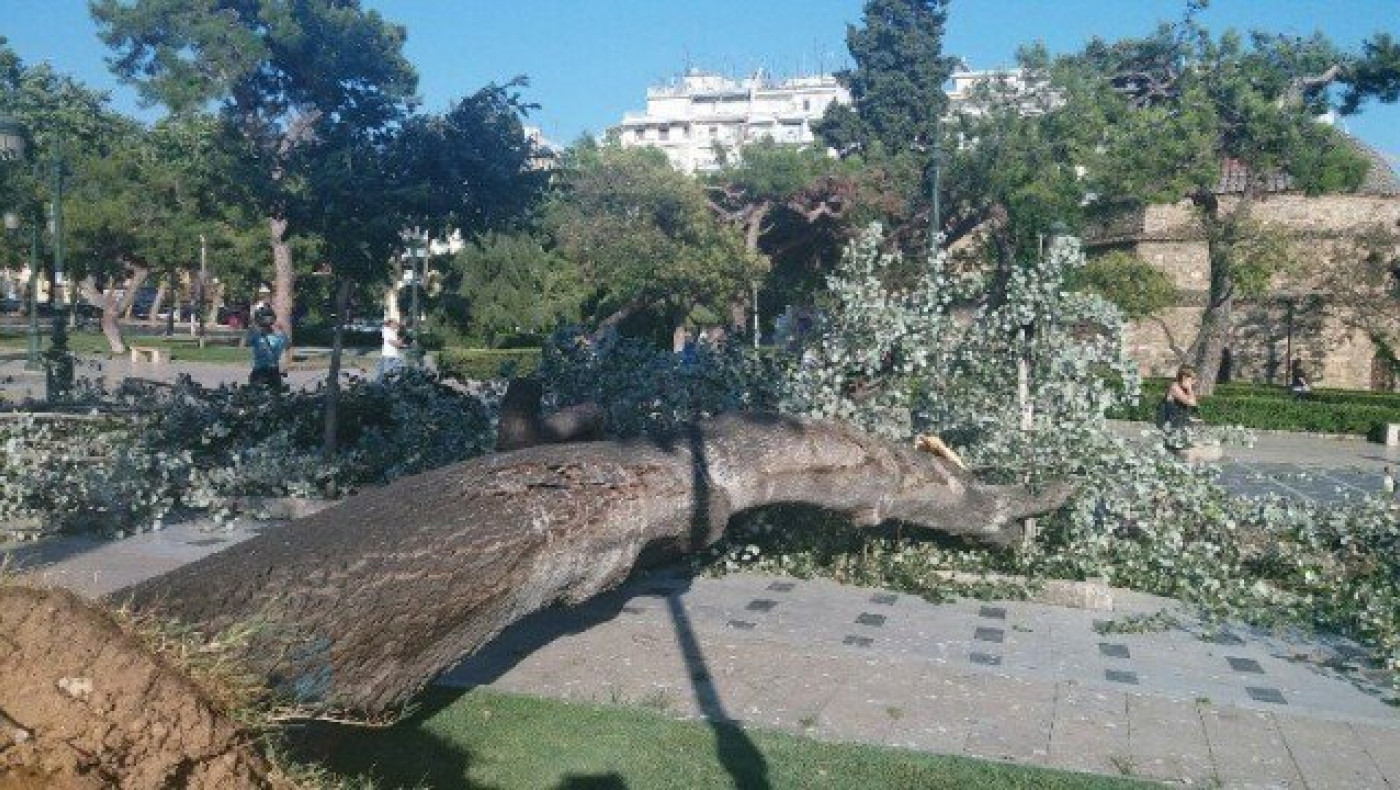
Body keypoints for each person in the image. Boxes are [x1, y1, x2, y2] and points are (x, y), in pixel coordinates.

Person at [247, 304, 288, 390]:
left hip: (260, 371)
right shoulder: (280, 336)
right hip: (273, 370)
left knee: (256, 394)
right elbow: (284, 351)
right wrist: (283, 367)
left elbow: (246, 343)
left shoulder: (256, 335)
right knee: (276, 394)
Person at [1160, 365, 1199, 432]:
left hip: (1178, 421)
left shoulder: (1183, 388)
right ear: (1184, 377)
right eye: (1193, 378)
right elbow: (1192, 403)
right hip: (1169, 423)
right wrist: (1189, 388)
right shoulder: (1175, 387)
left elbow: (1194, 404)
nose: (1195, 381)